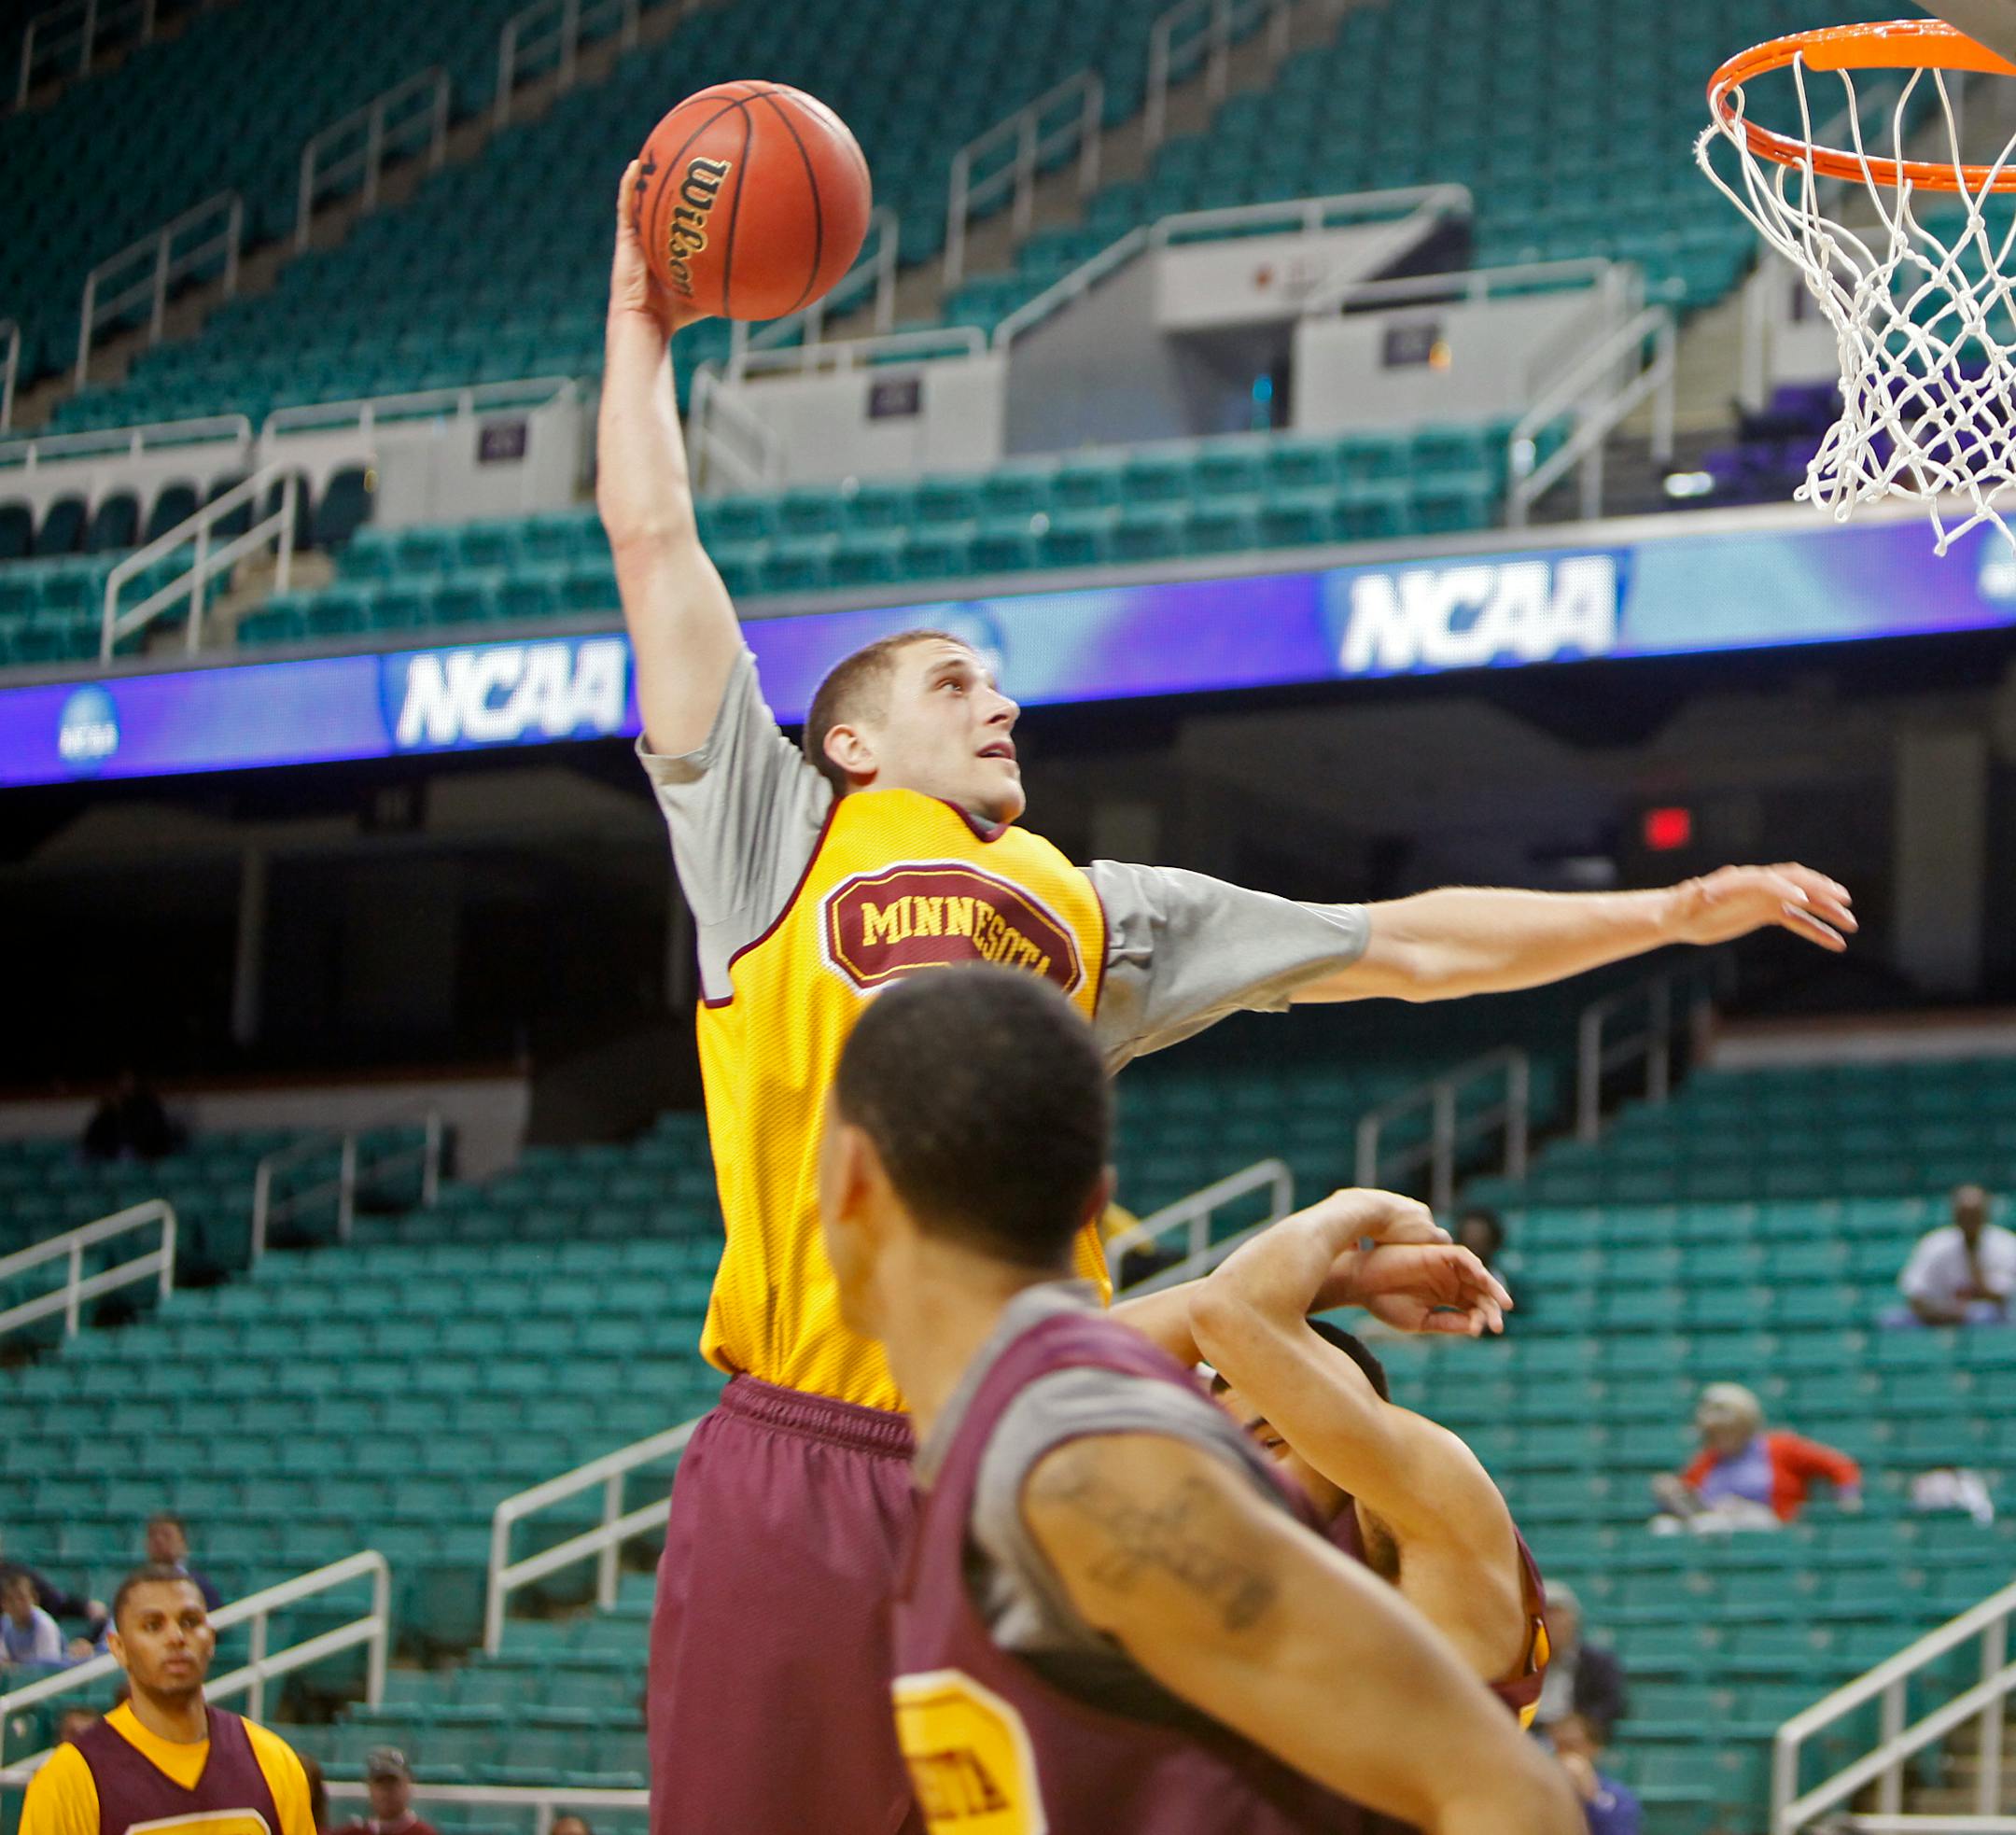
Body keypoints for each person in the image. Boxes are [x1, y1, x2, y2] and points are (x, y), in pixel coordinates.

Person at [598, 159, 1859, 1835]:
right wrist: (638, 320)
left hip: (1039, 1434)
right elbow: (657, 539)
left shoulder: (1100, 914)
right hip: (804, 1448)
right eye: (951, 680)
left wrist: (1665, 910)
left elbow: (1404, 942)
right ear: (848, 738)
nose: (1000, 701)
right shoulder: (773, 837)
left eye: (1001, 679)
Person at [819, 966, 1579, 1833]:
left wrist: (1350, 1213)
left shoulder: (1124, 1489)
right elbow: (1056, 1360)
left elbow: (1516, 1799)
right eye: (1226, 1432)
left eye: (1273, 1436)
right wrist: (1341, 1275)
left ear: (849, 1179)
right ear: (1097, 1207)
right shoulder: (1019, 1438)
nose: (1241, 1461)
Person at [1117, 1192, 1549, 1724]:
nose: (1239, 1475)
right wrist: (1354, 1281)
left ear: (1343, 1432)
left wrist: (1359, 1206)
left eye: (1270, 1444)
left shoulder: (1434, 1499)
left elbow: (1227, 1312)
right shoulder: (1253, 1557)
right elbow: (1064, 1362)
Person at [20, 1564, 315, 1835]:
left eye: (190, 1622)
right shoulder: (67, 1780)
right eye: (152, 1625)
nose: (176, 1637)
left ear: (210, 1639)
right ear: (119, 1648)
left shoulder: (273, 1761)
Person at [1651, 1383, 1861, 1530]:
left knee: (1713, 1525)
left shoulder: (1780, 1447)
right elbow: (1692, 1499)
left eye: (1727, 1429)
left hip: (1768, 1526)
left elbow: (1839, 1465)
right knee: (1664, 1526)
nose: (1721, 1436)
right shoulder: (1707, 1461)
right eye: (1715, 1432)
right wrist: (1674, 1491)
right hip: (1715, 1526)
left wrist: (1848, 1496)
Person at [1886, 1184, 2016, 1327]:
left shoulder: (2006, 1244)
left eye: (1974, 1215)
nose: (1969, 1221)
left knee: (1984, 1314)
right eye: (1964, 1215)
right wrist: (1949, 1312)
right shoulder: (1935, 1243)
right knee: (1892, 1320)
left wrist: (1972, 1252)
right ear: (1954, 1214)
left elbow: (2000, 1299)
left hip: (1983, 1318)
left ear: (1986, 1213)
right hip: (1938, 1314)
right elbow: (1915, 1297)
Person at [1531, 1584, 1629, 1740]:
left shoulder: (1598, 1663)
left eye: (1557, 1615)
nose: (1551, 1623)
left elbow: (1613, 1704)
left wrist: (1581, 1724)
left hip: (1580, 1743)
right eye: (1544, 1615)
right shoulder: (1519, 1667)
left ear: (1573, 1621)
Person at [1547, 1714, 1641, 1835]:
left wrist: (1590, 1799)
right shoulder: (1540, 1795)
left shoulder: (1618, 1798)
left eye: (1572, 1746)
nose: (1565, 1756)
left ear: (1594, 1749)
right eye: (1559, 1747)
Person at [329, 1747, 439, 1835]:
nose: (386, 1791)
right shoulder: (352, 1832)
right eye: (380, 1783)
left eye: (393, 1782)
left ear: (408, 1784)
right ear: (369, 1787)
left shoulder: (423, 1833)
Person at [79, 1071, 180, 1164]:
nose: (125, 1086)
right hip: (117, 1150)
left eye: (128, 1082)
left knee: (125, 1156)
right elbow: (96, 1137)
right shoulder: (111, 1113)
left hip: (146, 1151)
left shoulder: (147, 1106)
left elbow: (148, 1133)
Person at [143, 1514, 221, 1611]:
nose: (159, 1541)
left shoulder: (200, 1587)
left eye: (166, 1535)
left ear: (183, 1543)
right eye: (153, 1536)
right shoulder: (138, 1588)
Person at [2, 1569, 67, 1666]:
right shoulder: (4, 1623)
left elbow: (48, 1667)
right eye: (10, 1600)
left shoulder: (44, 1624)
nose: (16, 1605)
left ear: (34, 1599)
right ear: (3, 1603)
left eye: (22, 1598)